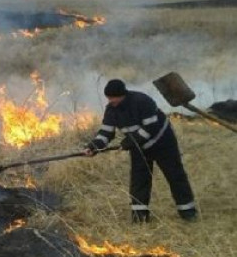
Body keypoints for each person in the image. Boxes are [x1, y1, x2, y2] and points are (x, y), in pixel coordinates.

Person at [84, 79, 197, 222]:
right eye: (109, 98)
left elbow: (150, 128)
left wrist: (128, 143)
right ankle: (140, 217)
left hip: (163, 142)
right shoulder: (111, 109)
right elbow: (106, 132)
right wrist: (94, 146)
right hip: (139, 146)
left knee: (175, 175)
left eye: (113, 98)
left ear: (122, 94)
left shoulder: (142, 101)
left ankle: (188, 212)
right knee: (139, 180)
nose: (111, 101)